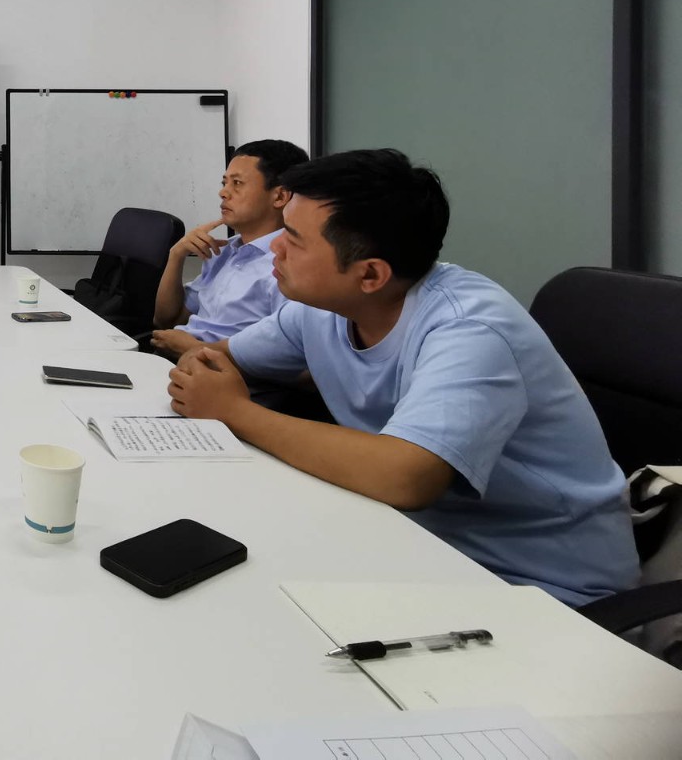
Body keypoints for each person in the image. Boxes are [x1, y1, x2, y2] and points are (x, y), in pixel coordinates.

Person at [167, 149, 638, 605]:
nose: (275, 247)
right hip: (411, 543)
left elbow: (407, 477)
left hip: (538, 584)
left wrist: (235, 411)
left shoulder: (469, 327)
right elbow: (215, 358)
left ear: (370, 274)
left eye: (293, 237)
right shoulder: (323, 307)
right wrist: (207, 377)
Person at [149, 139, 308, 357]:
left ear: (279, 196)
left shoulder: (287, 266)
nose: (223, 193)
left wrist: (195, 350)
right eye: (224, 183)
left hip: (217, 369)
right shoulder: (224, 251)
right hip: (177, 358)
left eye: (237, 183)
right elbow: (166, 320)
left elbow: (289, 358)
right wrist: (176, 255)